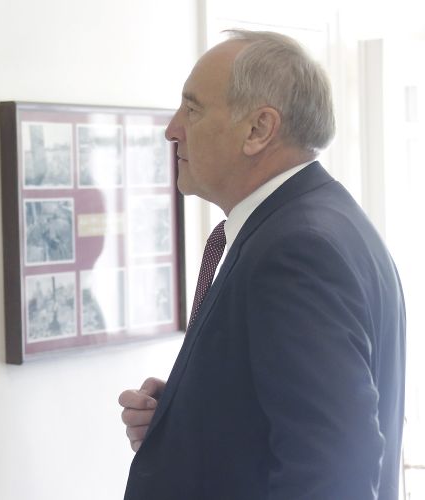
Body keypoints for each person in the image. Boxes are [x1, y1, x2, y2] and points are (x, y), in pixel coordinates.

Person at [119, 29, 406, 500]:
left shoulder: (297, 251)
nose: (172, 129)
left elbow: (333, 471)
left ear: (258, 130)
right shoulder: (318, 222)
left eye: (192, 109)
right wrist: (185, 418)